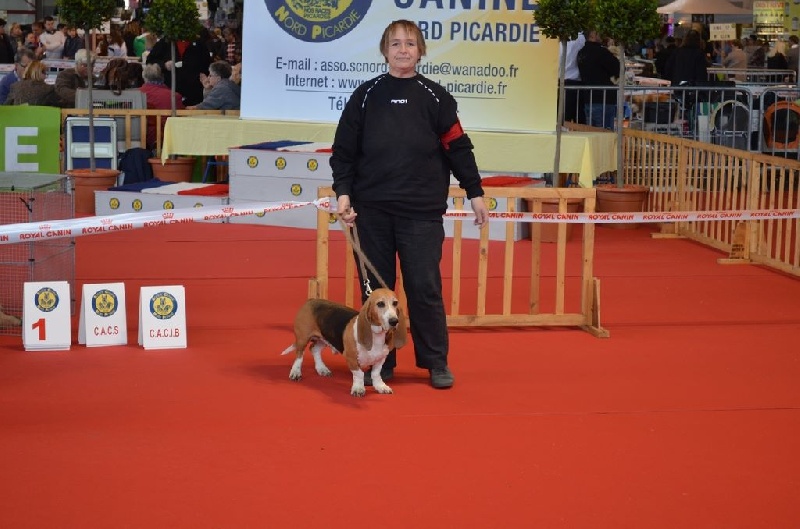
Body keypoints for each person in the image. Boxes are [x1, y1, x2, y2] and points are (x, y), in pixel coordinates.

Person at [330, 19, 489, 389]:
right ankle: (380, 365)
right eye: (396, 43)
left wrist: (475, 192)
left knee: (424, 289)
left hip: (421, 212)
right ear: (385, 50)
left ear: (421, 51)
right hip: (371, 212)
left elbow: (458, 149)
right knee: (376, 295)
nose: (403, 50)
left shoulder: (436, 97)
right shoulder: (365, 96)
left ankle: (436, 363)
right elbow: (344, 152)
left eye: (411, 43)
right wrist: (343, 192)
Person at [576, 30, 619, 130]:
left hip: (588, 99)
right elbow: (617, 68)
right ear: (593, 35)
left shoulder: (581, 53)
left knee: (592, 132)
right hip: (603, 99)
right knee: (605, 133)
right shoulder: (601, 52)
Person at [139, 63, 184, 149]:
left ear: (144, 78)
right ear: (162, 77)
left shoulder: (136, 94)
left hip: (141, 137)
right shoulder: (175, 96)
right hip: (169, 139)